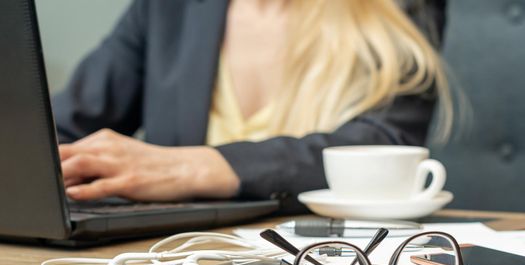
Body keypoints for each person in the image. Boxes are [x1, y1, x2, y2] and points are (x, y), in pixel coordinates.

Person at [54, 0, 450, 212]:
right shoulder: (166, 9)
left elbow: (386, 143)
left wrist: (196, 166)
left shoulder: (396, 8)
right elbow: (59, 128)